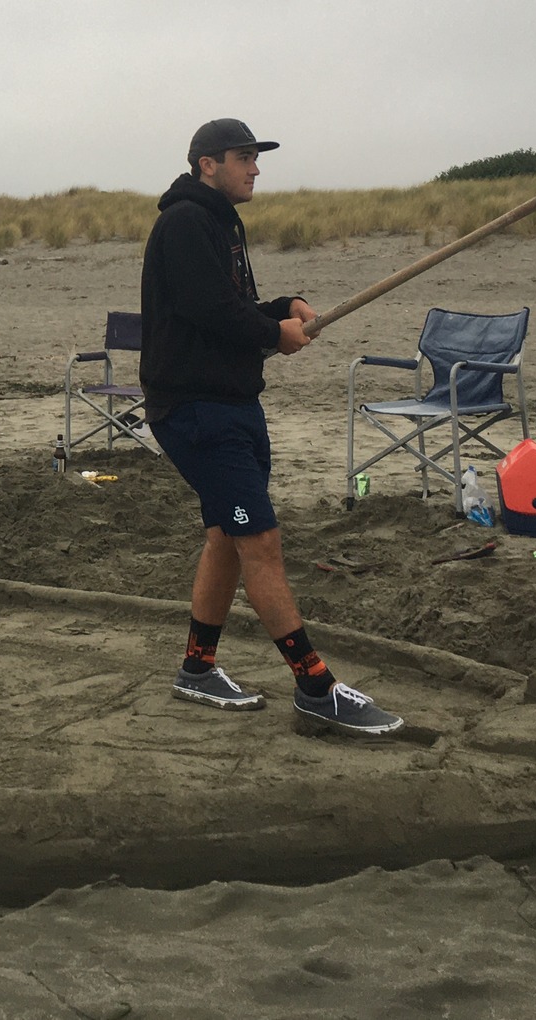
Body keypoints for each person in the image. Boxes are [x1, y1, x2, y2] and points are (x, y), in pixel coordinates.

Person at [140, 118, 403, 736]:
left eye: (256, 158)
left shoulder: (220, 221)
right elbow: (208, 310)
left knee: (226, 537)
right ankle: (316, 687)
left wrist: (283, 309)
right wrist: (272, 334)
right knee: (259, 542)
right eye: (243, 157)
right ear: (208, 164)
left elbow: (229, 305)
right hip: (197, 409)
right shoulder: (185, 222)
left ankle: (197, 668)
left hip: (231, 403)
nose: (255, 168)